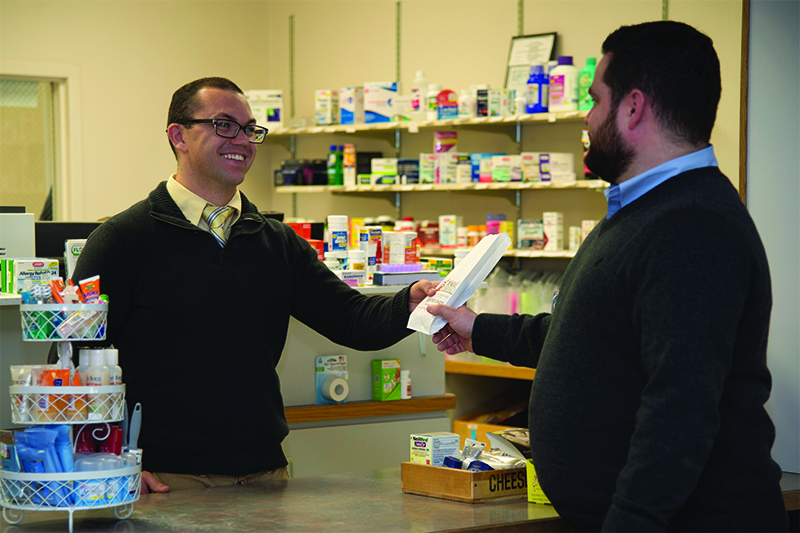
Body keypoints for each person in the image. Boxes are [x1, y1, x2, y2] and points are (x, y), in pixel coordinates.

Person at [428, 21, 789, 532]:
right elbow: (588, 339)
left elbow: (679, 412)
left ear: (633, 107)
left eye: (596, 100)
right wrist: (477, 329)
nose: (587, 115)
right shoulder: (642, 214)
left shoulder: (692, 226)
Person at [56, 77, 436, 493]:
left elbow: (350, 318)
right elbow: (73, 357)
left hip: (265, 472)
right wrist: (105, 460)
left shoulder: (275, 241)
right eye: (224, 124)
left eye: (250, 129)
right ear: (178, 136)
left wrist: (410, 303)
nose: (242, 139)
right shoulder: (122, 240)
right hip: (165, 479)